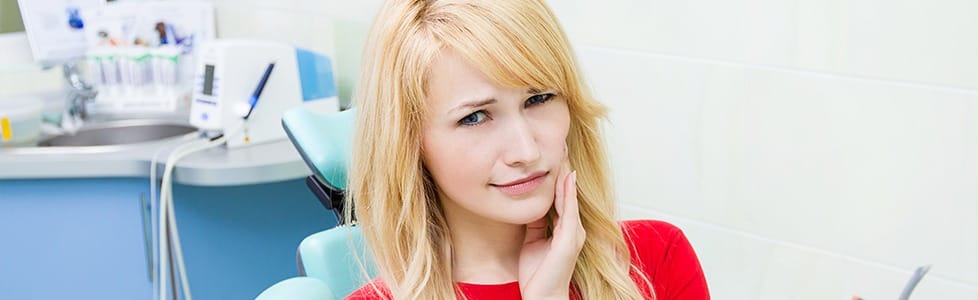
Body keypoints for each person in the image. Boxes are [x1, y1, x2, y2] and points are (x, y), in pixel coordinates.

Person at [345, 0, 710, 299]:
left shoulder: (655, 259)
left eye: (539, 98)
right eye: (475, 118)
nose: (526, 150)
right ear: (409, 144)